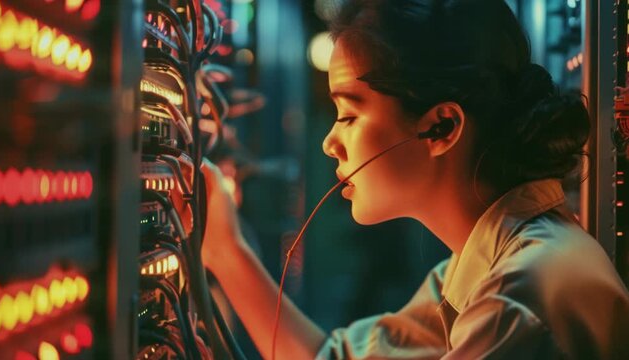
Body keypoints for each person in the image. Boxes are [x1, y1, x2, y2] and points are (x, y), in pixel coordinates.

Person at [199, 0, 629, 358]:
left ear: (441, 127)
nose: (330, 142)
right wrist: (223, 248)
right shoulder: (480, 266)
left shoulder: (516, 302)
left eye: (349, 114)